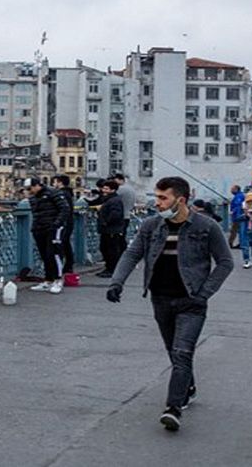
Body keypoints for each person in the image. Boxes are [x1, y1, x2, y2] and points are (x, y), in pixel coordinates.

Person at [106, 177, 234, 431]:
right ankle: (188, 386)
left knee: (182, 352)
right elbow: (132, 253)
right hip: (161, 299)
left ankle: (173, 407)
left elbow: (225, 262)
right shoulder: (152, 225)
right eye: (156, 197)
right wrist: (116, 282)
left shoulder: (207, 227)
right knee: (174, 351)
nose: (157, 203)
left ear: (181, 200)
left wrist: (204, 293)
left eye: (163, 198)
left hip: (191, 301)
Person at [25, 177, 70, 294]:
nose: (29, 191)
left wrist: (57, 224)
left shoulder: (53, 193)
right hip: (39, 228)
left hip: (53, 228)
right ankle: (48, 279)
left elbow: (65, 208)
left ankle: (58, 279)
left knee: (54, 253)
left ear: (37, 185)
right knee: (44, 254)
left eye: (30, 188)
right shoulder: (33, 198)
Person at [96, 180, 125, 278]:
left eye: (106, 188)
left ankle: (111, 269)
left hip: (111, 230)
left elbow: (115, 214)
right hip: (109, 229)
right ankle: (109, 268)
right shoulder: (111, 199)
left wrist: (105, 222)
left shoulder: (114, 200)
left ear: (112, 190)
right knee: (106, 249)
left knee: (110, 250)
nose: (103, 190)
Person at [52, 175, 75, 274]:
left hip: (63, 223)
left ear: (59, 182)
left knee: (61, 244)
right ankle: (69, 265)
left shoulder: (62, 194)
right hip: (69, 221)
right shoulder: (68, 193)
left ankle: (61, 267)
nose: (53, 184)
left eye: (54, 182)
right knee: (66, 243)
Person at [233, 192, 252, 269]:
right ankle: (246, 260)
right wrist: (245, 215)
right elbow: (237, 218)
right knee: (244, 245)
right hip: (244, 226)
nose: (250, 203)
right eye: (248, 201)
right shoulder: (241, 208)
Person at [112, 173, 137, 261]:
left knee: (118, 239)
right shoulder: (131, 189)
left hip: (120, 216)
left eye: (115, 180)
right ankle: (125, 256)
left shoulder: (120, 189)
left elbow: (112, 198)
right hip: (128, 215)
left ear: (120, 179)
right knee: (123, 237)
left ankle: (120, 257)